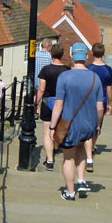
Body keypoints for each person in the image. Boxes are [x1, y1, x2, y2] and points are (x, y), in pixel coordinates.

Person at [48, 43, 105, 200]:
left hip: (69, 126)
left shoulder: (64, 77)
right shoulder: (95, 78)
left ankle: (70, 191)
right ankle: (81, 179)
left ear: (71, 56)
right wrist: (97, 125)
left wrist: (52, 127)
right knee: (81, 150)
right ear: (86, 57)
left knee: (68, 157)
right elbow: (100, 108)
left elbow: (58, 105)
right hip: (88, 125)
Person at [36, 42, 70, 170]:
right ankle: (56, 147)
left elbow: (41, 89)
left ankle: (50, 160)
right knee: (59, 128)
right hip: (62, 103)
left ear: (51, 54)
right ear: (62, 55)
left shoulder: (46, 70)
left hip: (47, 103)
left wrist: (36, 103)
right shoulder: (67, 70)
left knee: (47, 131)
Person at [84, 42, 112, 173]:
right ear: (103, 54)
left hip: (88, 100)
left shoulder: (88, 68)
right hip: (101, 101)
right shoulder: (108, 70)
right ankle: (92, 147)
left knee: (87, 125)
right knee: (97, 127)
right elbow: (109, 88)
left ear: (92, 53)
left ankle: (87, 148)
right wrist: (110, 103)